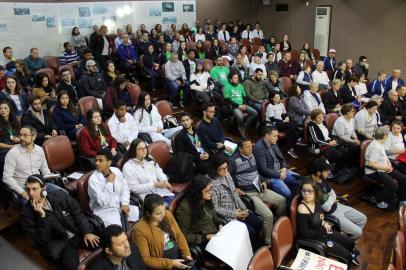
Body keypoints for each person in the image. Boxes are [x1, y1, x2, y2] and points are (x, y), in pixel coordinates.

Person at [20, 175, 99, 270]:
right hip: (61, 244)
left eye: (34, 189)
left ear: (43, 189)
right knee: (72, 267)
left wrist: (87, 231)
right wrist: (42, 217)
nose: (31, 193)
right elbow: (40, 242)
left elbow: (78, 213)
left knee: (105, 245)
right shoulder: (26, 214)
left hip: (77, 233)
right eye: (28, 189)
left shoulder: (60, 195)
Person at [229, 138, 287, 245]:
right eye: (247, 147)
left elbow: (257, 172)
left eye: (251, 146)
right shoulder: (233, 161)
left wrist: (263, 181)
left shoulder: (253, 156)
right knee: (268, 215)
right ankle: (268, 242)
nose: (251, 149)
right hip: (249, 194)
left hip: (260, 189)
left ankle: (277, 227)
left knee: (282, 200)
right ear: (240, 149)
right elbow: (228, 176)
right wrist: (234, 188)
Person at [297, 179, 358, 265]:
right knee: (346, 256)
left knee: (350, 243)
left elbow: (321, 216)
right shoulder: (302, 208)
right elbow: (304, 233)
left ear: (315, 192)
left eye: (310, 191)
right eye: (304, 191)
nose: (306, 194)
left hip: (324, 232)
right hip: (317, 239)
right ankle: (349, 259)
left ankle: (351, 255)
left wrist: (324, 223)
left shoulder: (315, 201)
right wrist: (322, 229)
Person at [309, 157, 367, 240]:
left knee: (363, 219)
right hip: (331, 214)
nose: (329, 172)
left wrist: (330, 198)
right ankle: (347, 244)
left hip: (337, 206)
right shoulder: (312, 186)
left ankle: (349, 241)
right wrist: (331, 197)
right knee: (358, 232)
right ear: (318, 172)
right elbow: (326, 208)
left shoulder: (322, 180)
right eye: (326, 170)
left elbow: (333, 194)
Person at [132, 194, 194, 269]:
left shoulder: (167, 214)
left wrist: (187, 255)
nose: (163, 215)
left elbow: (179, 235)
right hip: (163, 265)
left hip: (179, 258)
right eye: (158, 214)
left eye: (163, 210)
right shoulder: (139, 230)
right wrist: (171, 263)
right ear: (148, 214)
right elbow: (146, 259)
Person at [211, 155, 262, 246]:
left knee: (258, 222)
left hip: (239, 209)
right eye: (221, 169)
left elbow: (235, 193)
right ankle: (251, 250)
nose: (225, 170)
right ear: (215, 169)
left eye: (226, 167)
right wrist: (234, 214)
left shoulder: (228, 175)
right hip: (228, 217)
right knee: (251, 232)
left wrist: (244, 209)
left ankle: (254, 245)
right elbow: (216, 208)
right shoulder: (213, 185)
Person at [2, 126, 59, 204]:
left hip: (40, 185)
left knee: (63, 194)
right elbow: (6, 177)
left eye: (25, 135)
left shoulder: (40, 150)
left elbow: (44, 168)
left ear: (34, 137)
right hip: (24, 188)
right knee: (34, 208)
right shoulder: (12, 153)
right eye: (20, 135)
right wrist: (22, 192)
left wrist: (49, 176)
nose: (21, 138)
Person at [88, 148, 139, 227]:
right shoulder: (93, 180)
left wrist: (125, 203)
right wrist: (110, 183)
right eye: (96, 160)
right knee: (118, 232)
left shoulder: (116, 171)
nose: (97, 163)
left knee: (139, 215)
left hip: (120, 205)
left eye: (100, 160)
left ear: (109, 162)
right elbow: (102, 202)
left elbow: (125, 188)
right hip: (105, 211)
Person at [253, 126, 301, 201]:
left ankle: (292, 200)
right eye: (274, 136)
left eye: (277, 136)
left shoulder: (273, 142)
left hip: (281, 171)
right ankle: (288, 205)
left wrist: (284, 168)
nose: (277, 138)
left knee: (300, 179)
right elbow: (263, 169)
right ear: (267, 135)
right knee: (287, 193)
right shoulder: (258, 148)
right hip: (270, 176)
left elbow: (281, 157)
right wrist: (279, 175)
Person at [175, 175, 223, 248]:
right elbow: (184, 236)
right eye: (207, 191)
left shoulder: (205, 198)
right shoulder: (184, 208)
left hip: (215, 234)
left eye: (211, 189)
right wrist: (206, 237)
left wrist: (220, 224)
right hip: (203, 242)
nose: (210, 192)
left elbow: (213, 215)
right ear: (197, 192)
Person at [122, 139, 174, 205]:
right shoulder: (128, 167)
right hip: (145, 197)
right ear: (134, 151)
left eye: (145, 148)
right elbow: (134, 188)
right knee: (165, 207)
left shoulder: (149, 158)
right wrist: (153, 185)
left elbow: (158, 171)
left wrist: (164, 181)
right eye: (140, 149)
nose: (144, 150)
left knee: (174, 202)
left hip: (159, 191)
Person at [365, 126, 406, 210]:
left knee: (404, 179)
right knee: (394, 186)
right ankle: (376, 199)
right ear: (384, 136)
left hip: (383, 168)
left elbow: (384, 156)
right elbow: (371, 163)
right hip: (374, 172)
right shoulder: (376, 147)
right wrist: (386, 168)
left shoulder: (380, 143)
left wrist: (389, 164)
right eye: (387, 135)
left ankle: (401, 199)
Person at [266, 92, 304, 158]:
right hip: (273, 124)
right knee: (289, 124)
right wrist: (283, 121)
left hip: (281, 123)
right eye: (276, 97)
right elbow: (272, 119)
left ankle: (290, 149)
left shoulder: (281, 104)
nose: (278, 98)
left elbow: (284, 114)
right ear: (272, 98)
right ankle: (298, 139)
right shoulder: (270, 106)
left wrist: (286, 117)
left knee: (290, 129)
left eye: (278, 97)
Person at [223, 72, 258, 137]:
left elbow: (244, 96)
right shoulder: (227, 87)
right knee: (240, 116)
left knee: (255, 113)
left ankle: (243, 127)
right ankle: (241, 128)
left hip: (243, 105)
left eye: (237, 78)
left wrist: (244, 104)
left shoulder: (240, 86)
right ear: (230, 79)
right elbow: (227, 100)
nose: (237, 79)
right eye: (235, 78)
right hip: (234, 106)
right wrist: (238, 106)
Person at [0, 100, 20, 179]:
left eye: (5, 108)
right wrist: (10, 147)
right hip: (3, 150)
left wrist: (19, 139)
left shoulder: (14, 121)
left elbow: (21, 135)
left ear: (10, 109)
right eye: (1, 108)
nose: (3, 110)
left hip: (16, 146)